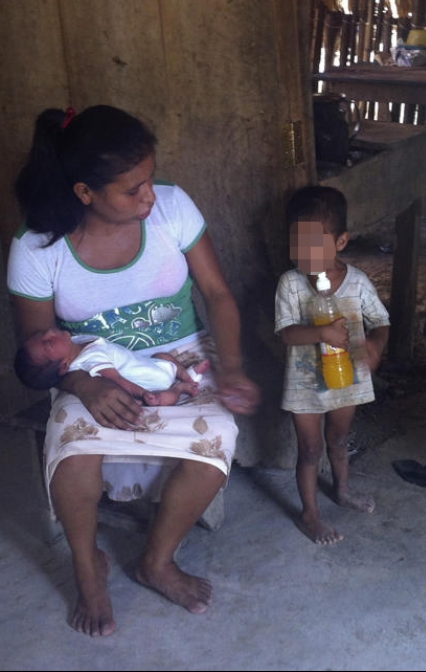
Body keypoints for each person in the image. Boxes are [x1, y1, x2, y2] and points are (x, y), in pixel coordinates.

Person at [7, 104, 260, 637]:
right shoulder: (37, 245)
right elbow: (38, 346)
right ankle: (87, 567)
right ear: (85, 192)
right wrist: (83, 384)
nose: (150, 197)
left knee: (216, 439)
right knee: (73, 448)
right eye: (132, 189)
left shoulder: (172, 207)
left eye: (149, 179)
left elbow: (217, 294)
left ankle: (157, 561)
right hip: (90, 367)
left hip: (182, 357)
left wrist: (233, 368)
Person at [274, 185, 390, 546]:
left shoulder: (357, 283)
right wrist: (321, 332)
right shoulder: (290, 284)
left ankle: (342, 489)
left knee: (339, 439)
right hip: (304, 382)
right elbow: (287, 334)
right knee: (310, 449)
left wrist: (375, 346)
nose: (305, 254)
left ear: (340, 242)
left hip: (346, 379)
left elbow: (381, 321)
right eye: (297, 244)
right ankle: (310, 515)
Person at [14, 327, 211, 407]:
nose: (49, 332)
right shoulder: (91, 360)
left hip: (152, 364)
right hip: (153, 384)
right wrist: (143, 393)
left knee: (163, 357)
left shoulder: (77, 342)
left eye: (42, 334)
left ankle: (188, 376)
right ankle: (181, 386)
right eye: (49, 343)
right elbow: (118, 380)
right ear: (64, 366)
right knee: (163, 399)